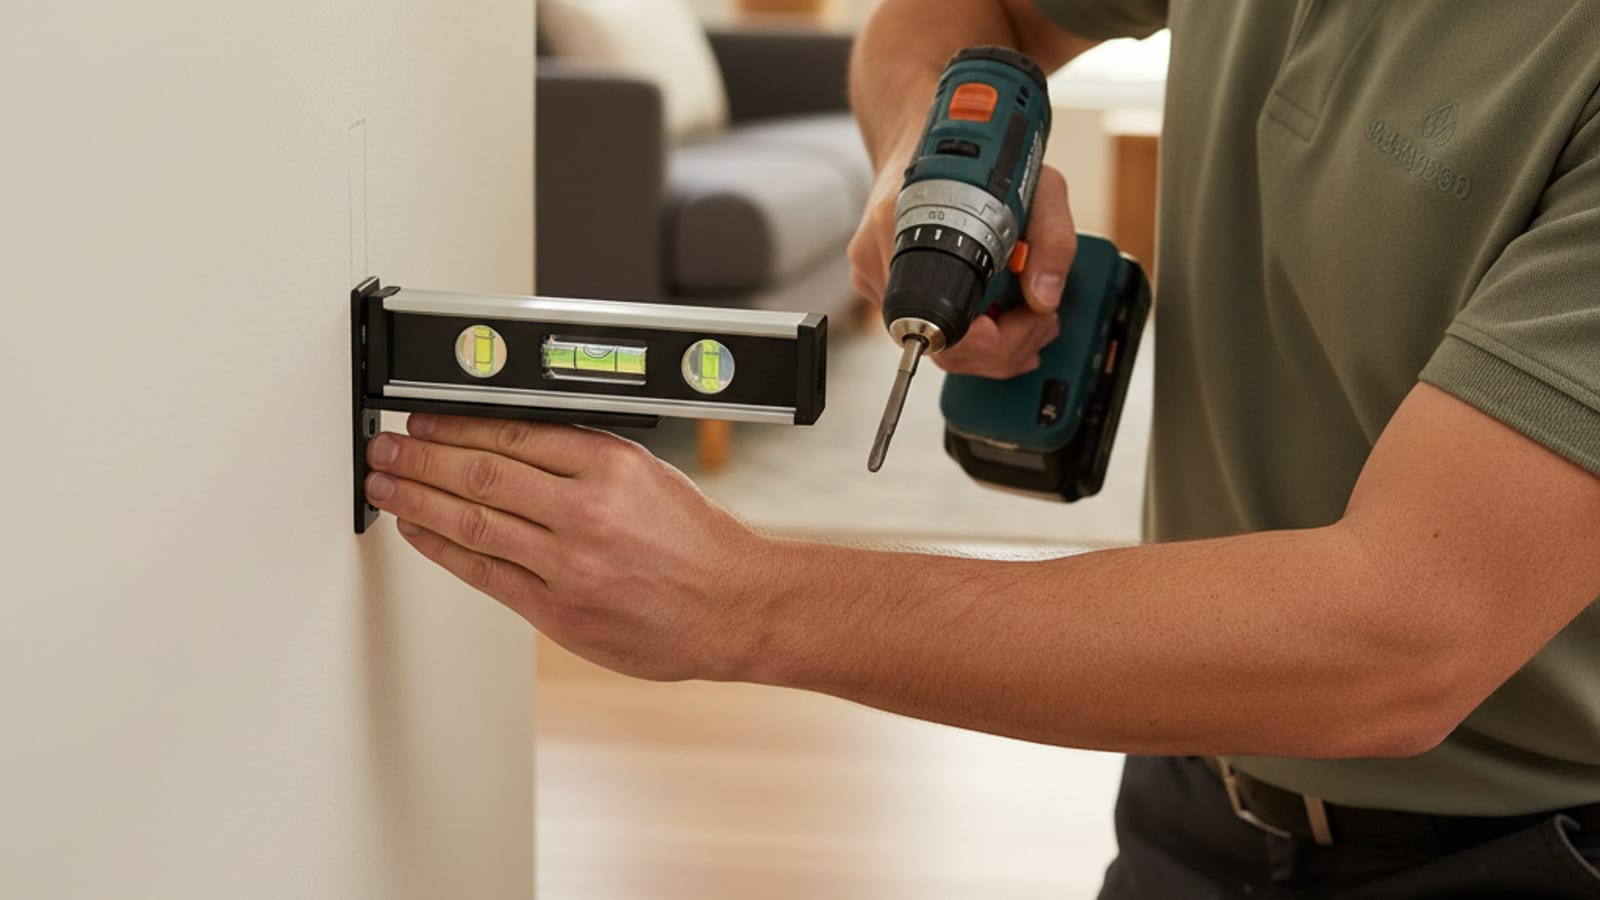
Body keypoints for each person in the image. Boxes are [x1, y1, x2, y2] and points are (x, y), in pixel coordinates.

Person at [360, 0, 1600, 894]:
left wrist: (745, 603)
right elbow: (948, 16)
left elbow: (1401, 638)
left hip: (1514, 854)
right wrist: (926, 167)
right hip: (1192, 785)